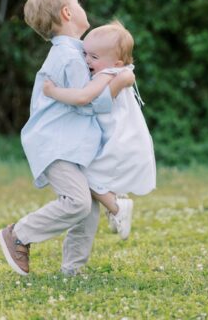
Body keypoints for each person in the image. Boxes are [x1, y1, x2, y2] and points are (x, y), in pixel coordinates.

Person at [0, 0, 133, 277]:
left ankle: (72, 269)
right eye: (79, 3)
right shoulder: (70, 57)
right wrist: (117, 87)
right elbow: (84, 102)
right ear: (68, 12)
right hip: (55, 144)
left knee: (87, 209)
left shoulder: (77, 53)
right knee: (78, 202)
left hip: (69, 145)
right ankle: (18, 234)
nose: (84, 7)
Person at [43, 20, 156, 240]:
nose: (86, 61)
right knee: (88, 175)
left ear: (117, 61)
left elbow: (83, 97)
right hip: (120, 137)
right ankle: (114, 202)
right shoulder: (120, 71)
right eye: (86, 54)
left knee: (84, 174)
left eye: (94, 57)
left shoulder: (108, 74)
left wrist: (52, 91)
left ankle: (117, 207)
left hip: (117, 139)